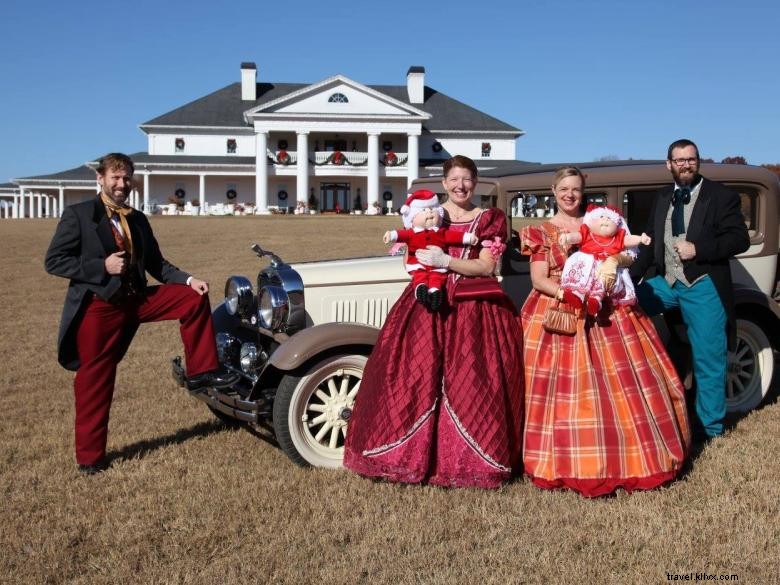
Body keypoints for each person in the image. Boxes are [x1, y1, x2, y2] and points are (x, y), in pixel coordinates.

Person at [45, 153, 237, 475]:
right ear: (100, 179)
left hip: (138, 299)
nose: (122, 185)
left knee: (192, 299)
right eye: (115, 178)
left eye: (126, 178)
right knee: (96, 379)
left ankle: (202, 370)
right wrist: (100, 267)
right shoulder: (79, 215)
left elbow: (157, 265)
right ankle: (90, 458)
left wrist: (190, 280)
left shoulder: (136, 218)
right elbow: (54, 261)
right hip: (101, 307)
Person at [344, 155, 524, 488]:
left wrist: (446, 261)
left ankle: (464, 462)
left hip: (472, 307)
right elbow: (410, 254)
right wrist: (423, 266)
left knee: (470, 380)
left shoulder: (488, 219)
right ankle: (407, 457)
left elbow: (486, 266)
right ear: (443, 183)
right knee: (414, 375)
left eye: (467, 179)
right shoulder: (427, 214)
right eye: (454, 180)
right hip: (425, 303)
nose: (461, 186)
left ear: (475, 181)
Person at [519, 166, 691, 497]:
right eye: (564, 188)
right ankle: (566, 458)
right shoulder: (541, 231)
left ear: (584, 193)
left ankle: (630, 455)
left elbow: (625, 254)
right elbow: (538, 278)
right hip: (560, 308)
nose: (570, 194)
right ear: (553, 191)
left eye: (576, 189)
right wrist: (569, 294)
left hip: (608, 307)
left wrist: (614, 265)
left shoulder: (599, 221)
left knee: (624, 383)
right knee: (564, 390)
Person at [630, 139, 750, 440]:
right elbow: (650, 242)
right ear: (668, 164)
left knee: (709, 359)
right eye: (679, 159)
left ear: (698, 161)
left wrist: (699, 248)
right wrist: (628, 282)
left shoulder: (720, 196)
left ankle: (709, 429)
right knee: (624, 307)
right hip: (667, 283)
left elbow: (739, 239)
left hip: (702, 284)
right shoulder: (661, 197)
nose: (685, 164)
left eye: (691, 159)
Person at [383, 189, 477, 311]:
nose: (429, 214)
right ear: (412, 218)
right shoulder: (412, 233)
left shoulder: (441, 232)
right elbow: (402, 234)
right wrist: (391, 235)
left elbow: (454, 236)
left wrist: (468, 237)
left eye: (432, 210)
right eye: (424, 211)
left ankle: (435, 292)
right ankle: (421, 287)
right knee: (419, 275)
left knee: (437, 277)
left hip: (437, 266)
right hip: (419, 263)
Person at [558, 204, 651, 316]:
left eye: (610, 219)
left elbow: (628, 240)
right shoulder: (588, 234)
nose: (606, 220)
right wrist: (567, 238)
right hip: (586, 262)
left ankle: (596, 299)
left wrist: (640, 239)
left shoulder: (616, 238)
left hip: (605, 264)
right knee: (581, 274)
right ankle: (576, 294)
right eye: (601, 217)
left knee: (604, 279)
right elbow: (577, 236)